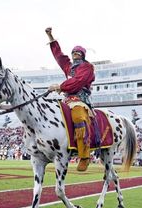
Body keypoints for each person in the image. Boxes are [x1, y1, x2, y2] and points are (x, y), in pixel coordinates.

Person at [45, 27, 95, 171]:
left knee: (79, 117)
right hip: (67, 100)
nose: (75, 54)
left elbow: (78, 82)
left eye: (78, 52)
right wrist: (50, 36)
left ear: (83, 55)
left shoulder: (87, 67)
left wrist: (59, 87)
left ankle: (84, 156)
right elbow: (59, 56)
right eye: (73, 52)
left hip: (80, 100)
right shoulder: (69, 67)